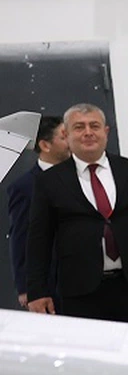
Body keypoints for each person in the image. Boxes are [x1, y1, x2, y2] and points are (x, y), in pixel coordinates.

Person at [26, 105, 128, 324]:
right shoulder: (49, 181)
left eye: (94, 126)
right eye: (79, 127)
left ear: (106, 132)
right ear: (66, 134)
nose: (88, 132)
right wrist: (37, 291)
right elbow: (38, 239)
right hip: (80, 291)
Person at [7, 115, 70, 309]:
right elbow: (20, 237)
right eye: (64, 137)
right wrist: (26, 287)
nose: (71, 142)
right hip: (51, 280)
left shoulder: (81, 176)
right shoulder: (25, 186)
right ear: (45, 145)